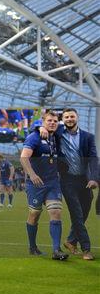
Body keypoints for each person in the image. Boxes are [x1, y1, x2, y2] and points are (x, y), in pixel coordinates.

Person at [39, 108, 98, 260]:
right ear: (62, 119)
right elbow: (44, 125)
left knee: (84, 212)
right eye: (66, 117)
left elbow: (93, 158)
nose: (69, 119)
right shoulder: (58, 133)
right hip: (67, 180)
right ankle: (86, 250)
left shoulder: (88, 137)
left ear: (77, 118)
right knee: (77, 214)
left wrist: (94, 178)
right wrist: (40, 128)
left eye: (72, 116)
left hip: (85, 180)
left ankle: (71, 240)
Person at [20, 110, 68, 260]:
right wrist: (32, 175)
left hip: (53, 183)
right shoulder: (34, 137)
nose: (52, 123)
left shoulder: (56, 136)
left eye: (55, 121)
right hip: (36, 184)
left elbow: (69, 125)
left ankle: (56, 250)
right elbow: (23, 157)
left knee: (56, 213)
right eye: (49, 121)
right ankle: (32, 247)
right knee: (34, 214)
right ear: (43, 122)